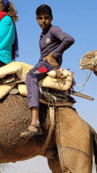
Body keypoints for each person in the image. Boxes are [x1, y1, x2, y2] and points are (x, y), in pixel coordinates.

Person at [20, 4, 75, 137]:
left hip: (47, 66)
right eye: (40, 18)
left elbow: (69, 39)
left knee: (31, 76)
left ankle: (35, 122)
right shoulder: (42, 35)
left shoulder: (54, 30)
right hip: (41, 64)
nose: (43, 21)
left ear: (51, 18)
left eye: (46, 18)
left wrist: (54, 55)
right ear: (36, 19)